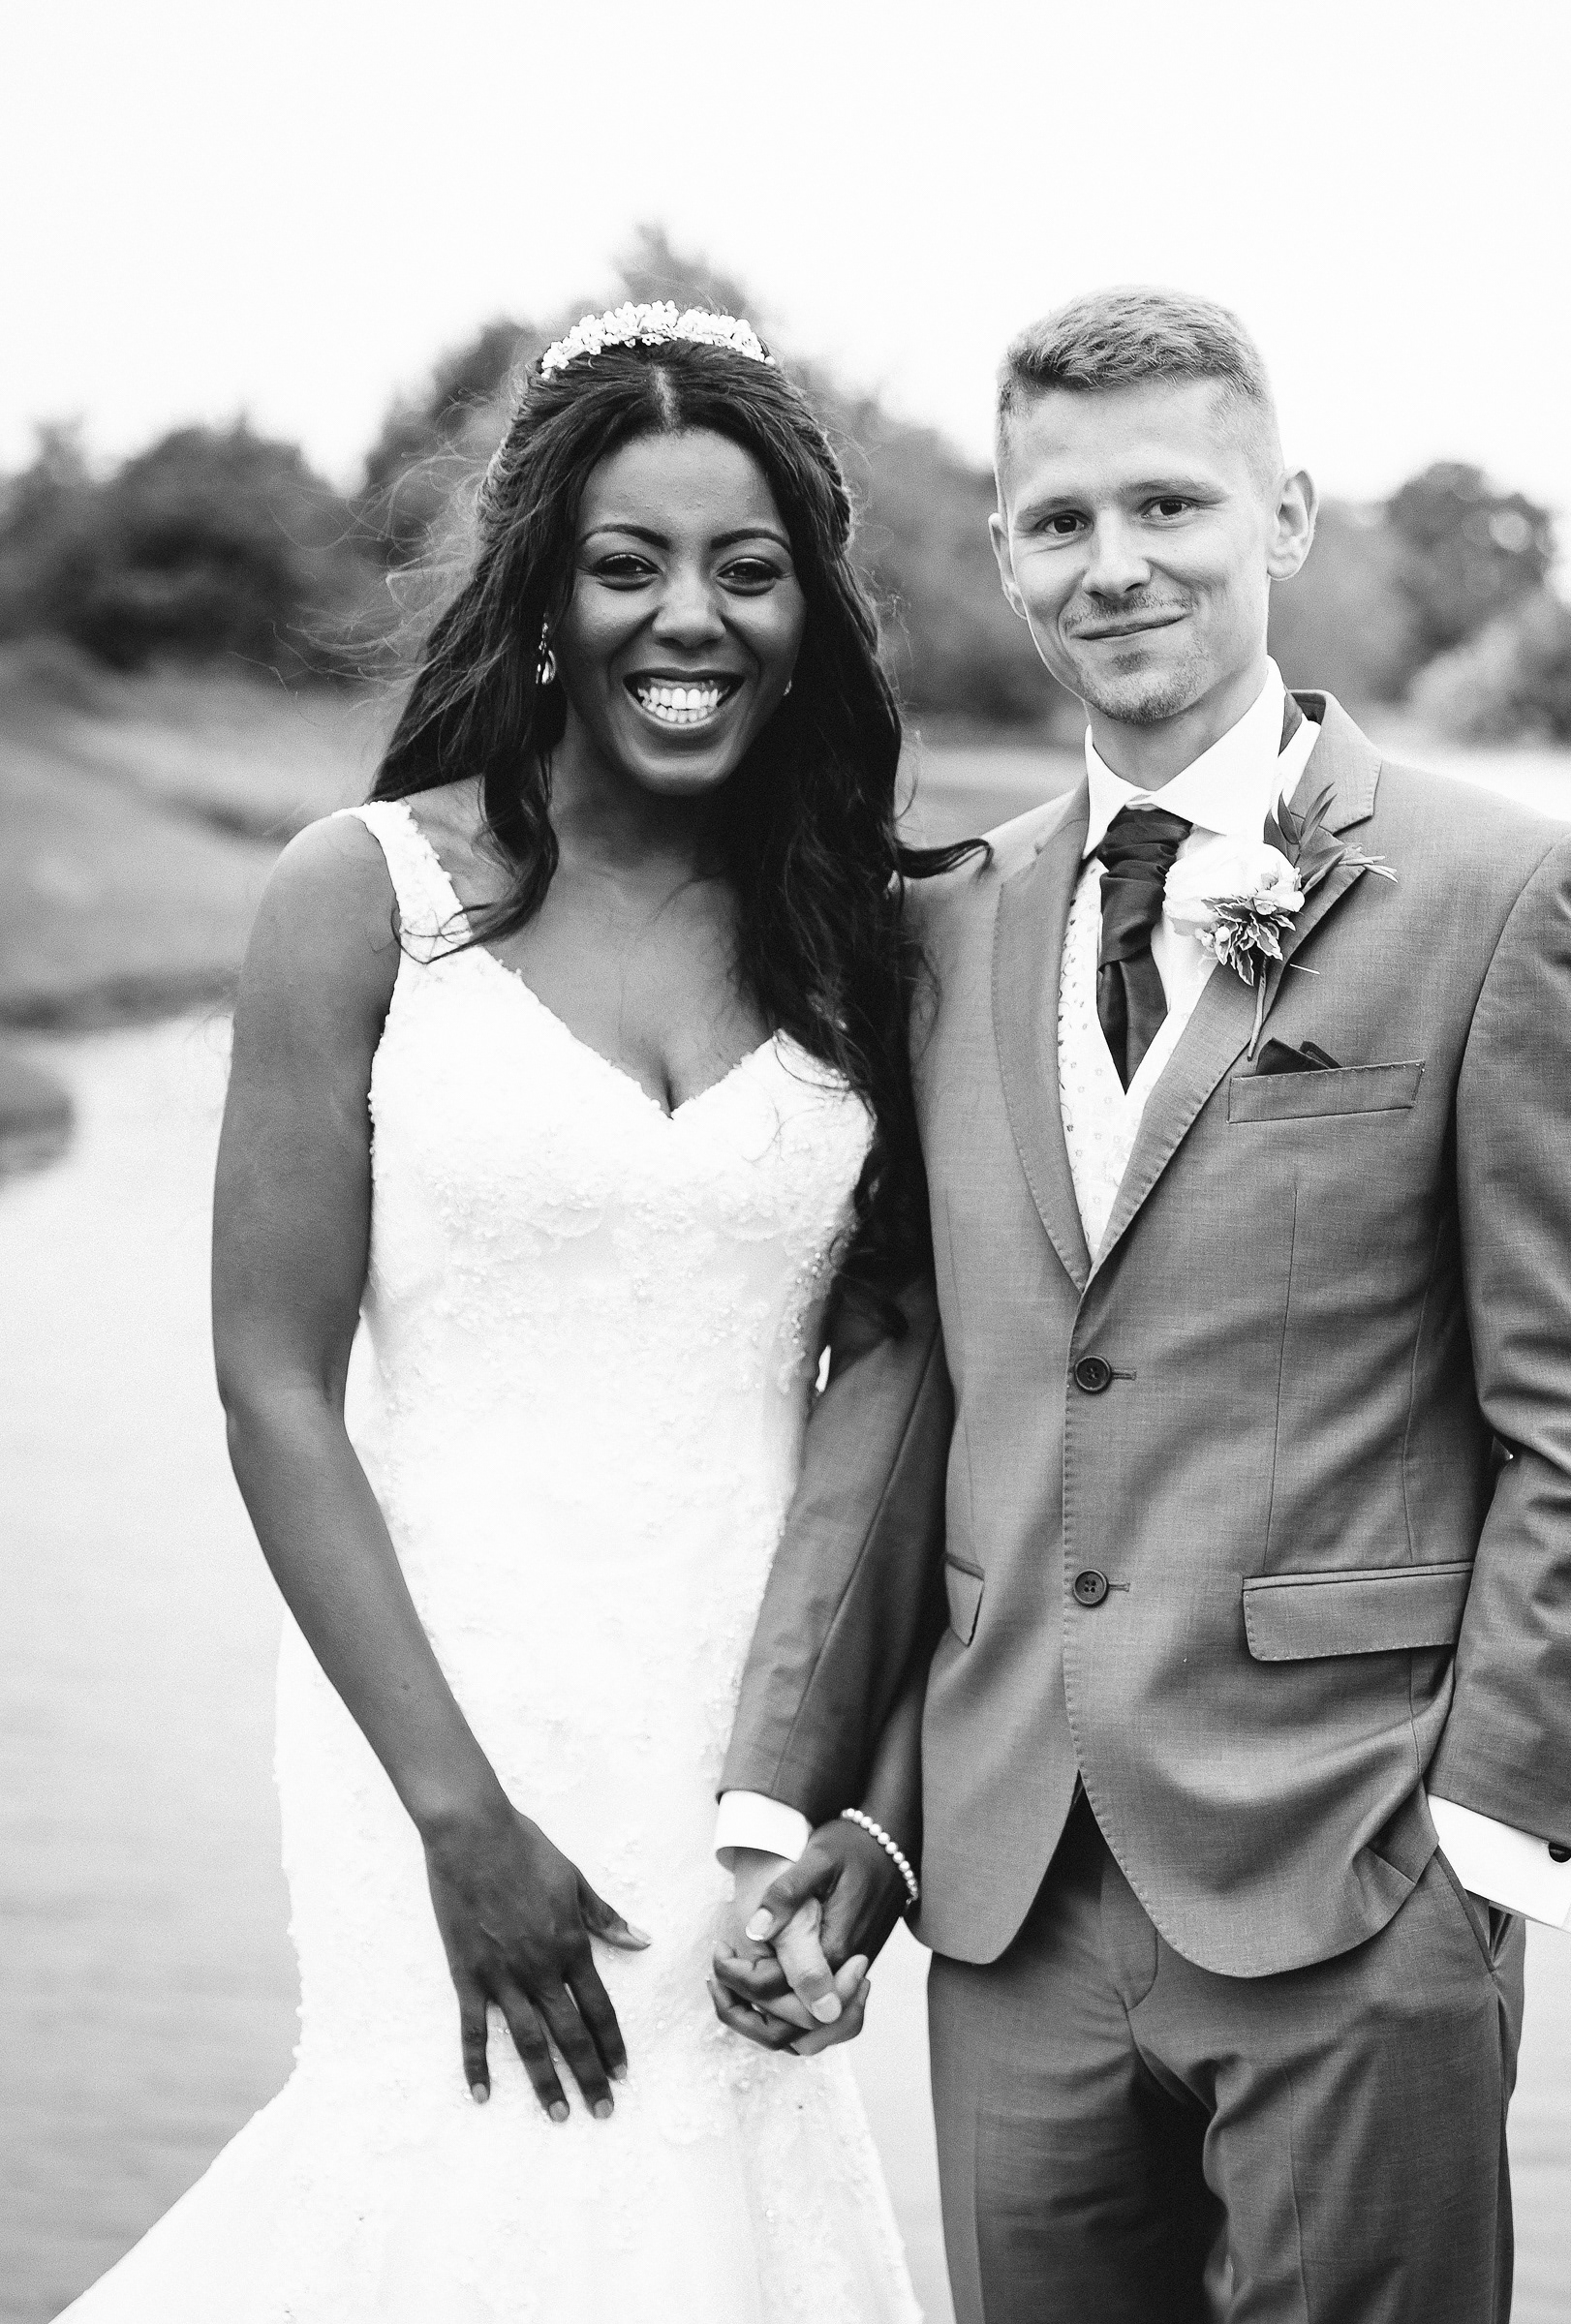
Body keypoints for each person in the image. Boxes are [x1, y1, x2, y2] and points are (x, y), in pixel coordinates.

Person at [713, 288, 1571, 2324]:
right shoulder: (939, 929)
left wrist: (1483, 1858)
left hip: (1356, 1883)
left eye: (1171, 502)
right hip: (1002, 1906)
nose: (1116, 562)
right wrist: (845, 1816)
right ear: (1002, 559)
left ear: (1287, 516)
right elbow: (923, 1398)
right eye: (1059, 521)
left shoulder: (1501, 896)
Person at [57, 301, 955, 2323]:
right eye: (626, 564)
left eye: (746, 569)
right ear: (542, 603)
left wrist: (868, 1824)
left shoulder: (857, 942)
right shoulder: (358, 899)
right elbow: (269, 1388)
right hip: (438, 1726)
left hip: (746, 1732)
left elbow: (911, 1402)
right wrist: (457, 1813)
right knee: (456, 2184)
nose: (687, 618)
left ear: (808, 609)